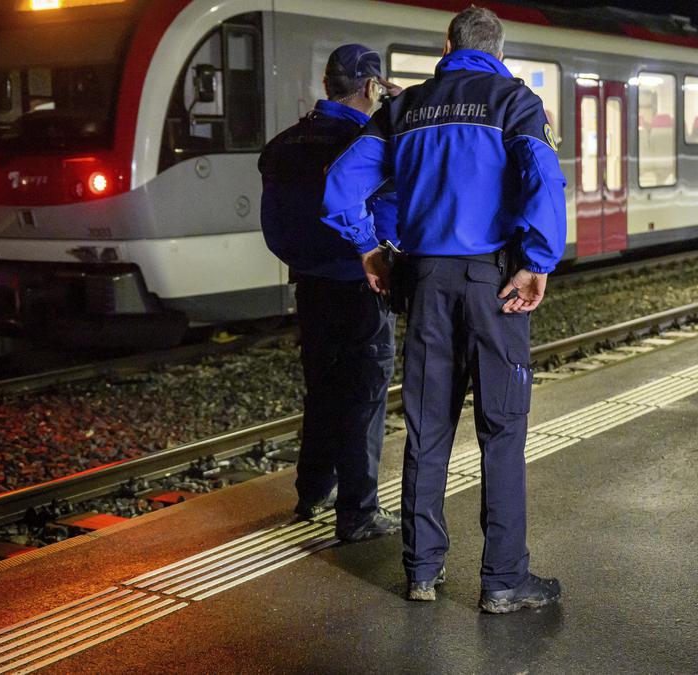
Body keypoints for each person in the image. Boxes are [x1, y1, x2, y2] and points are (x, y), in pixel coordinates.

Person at [321, 8, 567, 613]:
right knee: (502, 430)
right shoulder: (515, 103)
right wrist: (537, 260)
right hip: (495, 285)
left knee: (428, 428)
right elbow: (542, 180)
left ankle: (422, 572)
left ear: (446, 45)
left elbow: (342, 184)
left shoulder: (405, 109)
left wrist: (371, 248)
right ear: (498, 50)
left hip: (426, 283)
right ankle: (504, 580)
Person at [258, 44, 402, 543]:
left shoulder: (284, 144)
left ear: (327, 86)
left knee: (322, 389)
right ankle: (358, 513)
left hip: (311, 286)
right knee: (363, 397)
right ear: (370, 87)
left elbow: (274, 228)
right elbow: (387, 216)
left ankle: (312, 490)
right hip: (363, 285)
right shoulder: (366, 143)